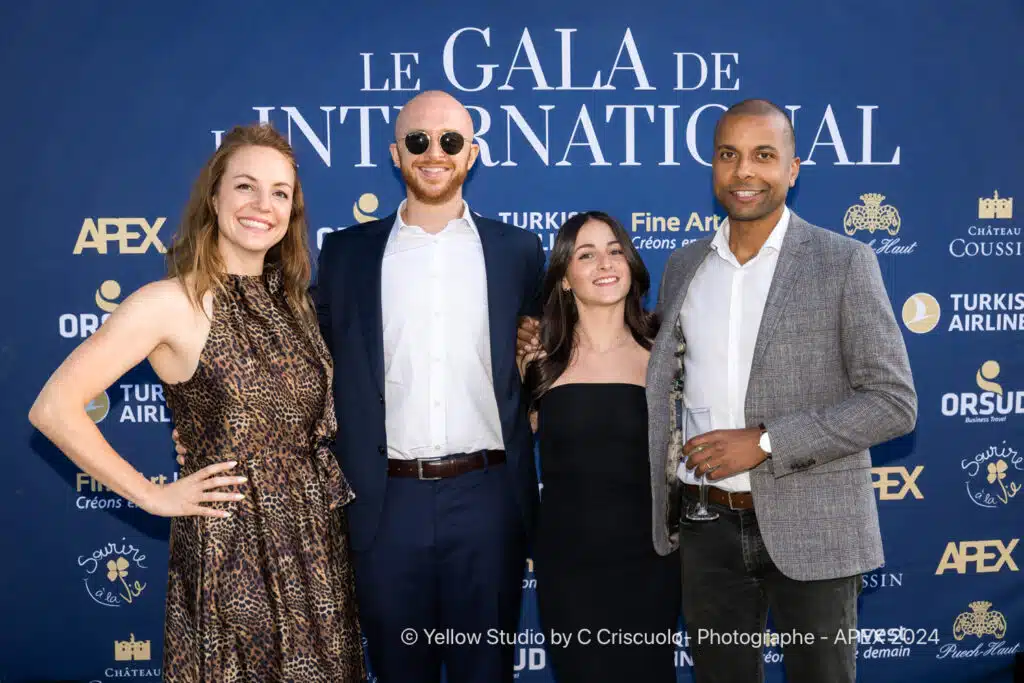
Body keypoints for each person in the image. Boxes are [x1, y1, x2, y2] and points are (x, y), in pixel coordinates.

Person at [519, 98, 917, 683]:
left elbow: (893, 401)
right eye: (729, 155)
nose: (744, 171)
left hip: (813, 528)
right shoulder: (686, 269)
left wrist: (767, 441)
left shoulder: (844, 262)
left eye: (763, 155)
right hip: (705, 535)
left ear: (793, 167)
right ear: (713, 166)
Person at [177, 91, 546, 682]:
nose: (434, 153)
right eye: (418, 141)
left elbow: (541, 360)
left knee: (486, 673)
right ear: (395, 153)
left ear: (471, 155)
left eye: (451, 141)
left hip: (487, 499)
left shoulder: (519, 252)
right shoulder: (345, 254)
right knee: (399, 671)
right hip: (382, 502)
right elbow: (300, 367)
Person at [29, 124, 366, 681]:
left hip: (316, 549)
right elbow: (54, 408)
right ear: (213, 198)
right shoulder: (172, 303)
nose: (264, 205)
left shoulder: (296, 308)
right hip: (234, 556)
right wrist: (153, 495)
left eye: (280, 193)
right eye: (245, 187)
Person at [520, 211, 680, 683]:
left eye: (614, 250)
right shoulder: (538, 360)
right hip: (569, 565)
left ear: (630, 262)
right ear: (565, 278)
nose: (604, 263)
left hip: (652, 561)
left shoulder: (666, 353)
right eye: (585, 254)